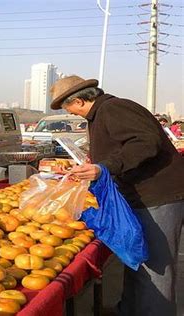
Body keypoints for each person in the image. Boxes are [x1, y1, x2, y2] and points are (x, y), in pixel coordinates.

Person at [49, 75, 184, 316]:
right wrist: (89, 166)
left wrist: (104, 167)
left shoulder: (113, 109)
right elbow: (118, 149)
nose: (70, 113)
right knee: (138, 266)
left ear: (79, 101)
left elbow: (145, 143)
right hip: (139, 198)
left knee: (156, 271)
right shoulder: (101, 115)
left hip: (158, 197)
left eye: (67, 108)